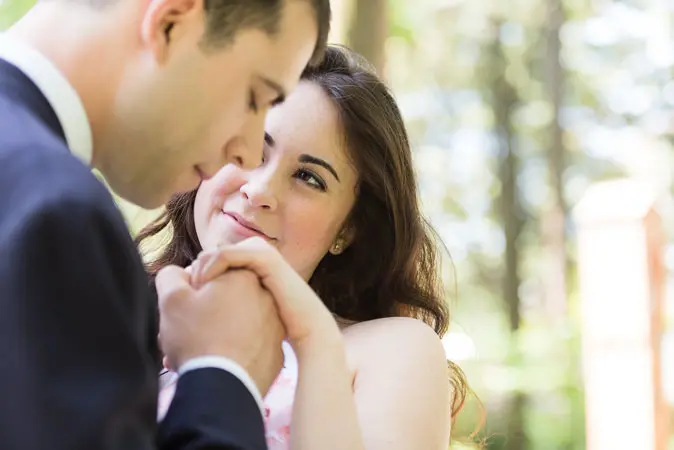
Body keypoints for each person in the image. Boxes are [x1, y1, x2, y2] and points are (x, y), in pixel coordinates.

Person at [0, 0, 330, 448]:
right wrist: (223, 371)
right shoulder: (57, 214)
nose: (248, 155)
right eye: (255, 98)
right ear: (171, 21)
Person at [138, 45, 470, 449]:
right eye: (255, 149)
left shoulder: (390, 349)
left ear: (348, 230)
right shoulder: (116, 309)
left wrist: (312, 338)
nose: (260, 190)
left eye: (309, 178)